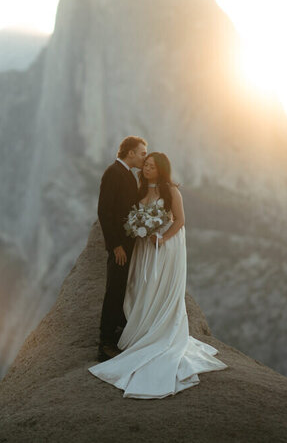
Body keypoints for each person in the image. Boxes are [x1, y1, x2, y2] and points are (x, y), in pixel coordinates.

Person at [89, 151, 228, 398]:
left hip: (166, 246)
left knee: (160, 286)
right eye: (145, 165)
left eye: (151, 165)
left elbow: (180, 220)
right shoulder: (140, 189)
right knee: (142, 287)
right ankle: (142, 328)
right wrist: (138, 228)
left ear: (161, 168)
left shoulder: (171, 191)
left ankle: (159, 331)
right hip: (145, 247)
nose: (146, 168)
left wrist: (162, 237)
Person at [96, 136, 148, 362]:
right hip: (120, 247)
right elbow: (104, 212)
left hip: (129, 245)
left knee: (123, 289)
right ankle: (105, 343)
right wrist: (116, 245)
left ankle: (118, 333)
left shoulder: (126, 174)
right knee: (114, 291)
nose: (145, 157)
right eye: (142, 153)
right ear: (130, 153)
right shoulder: (113, 173)